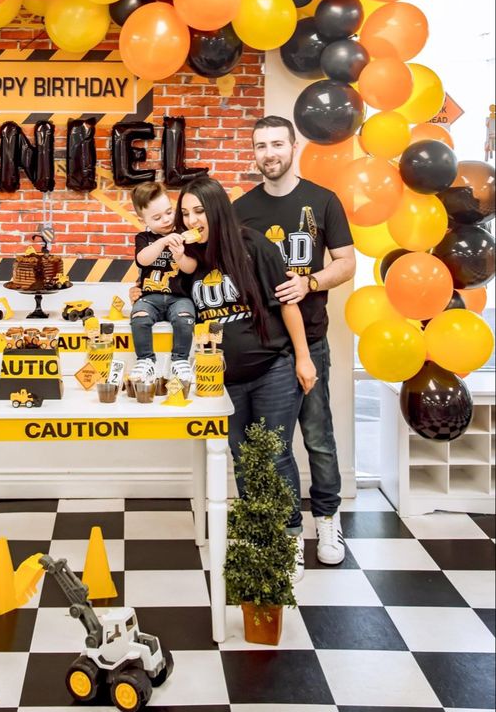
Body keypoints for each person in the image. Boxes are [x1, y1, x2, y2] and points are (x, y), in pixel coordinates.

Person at [177, 175, 316, 582]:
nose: (192, 219)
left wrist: (303, 360)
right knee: (242, 460)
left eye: (199, 210)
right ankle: (261, 536)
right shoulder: (192, 259)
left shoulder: (255, 245)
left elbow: (287, 305)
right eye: (185, 213)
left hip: (273, 367)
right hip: (222, 380)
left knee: (274, 455)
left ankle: (290, 540)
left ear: (217, 208)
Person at [233, 115, 355, 567]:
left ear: (294, 145)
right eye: (261, 146)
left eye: (277, 144)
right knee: (272, 446)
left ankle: (326, 521)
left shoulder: (323, 201)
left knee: (318, 438)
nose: (269, 153)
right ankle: (280, 530)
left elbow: (346, 263)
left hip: (313, 343)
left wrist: (311, 284)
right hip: (263, 349)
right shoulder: (240, 209)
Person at [129, 181, 198, 385]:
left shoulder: (184, 235)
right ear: (142, 219)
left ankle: (180, 360)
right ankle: (145, 360)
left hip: (180, 297)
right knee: (139, 317)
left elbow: (191, 268)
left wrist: (180, 258)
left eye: (169, 212)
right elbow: (143, 260)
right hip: (150, 297)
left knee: (184, 318)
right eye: (157, 218)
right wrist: (161, 242)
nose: (166, 220)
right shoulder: (144, 238)